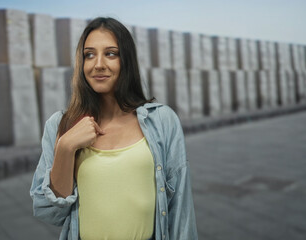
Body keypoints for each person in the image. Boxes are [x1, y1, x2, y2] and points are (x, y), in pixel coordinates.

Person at [30, 17, 198, 240]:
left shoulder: (162, 120)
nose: (98, 64)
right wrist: (65, 147)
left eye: (111, 53)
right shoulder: (61, 125)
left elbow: (180, 209)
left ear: (126, 60)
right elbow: (49, 212)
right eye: (89, 54)